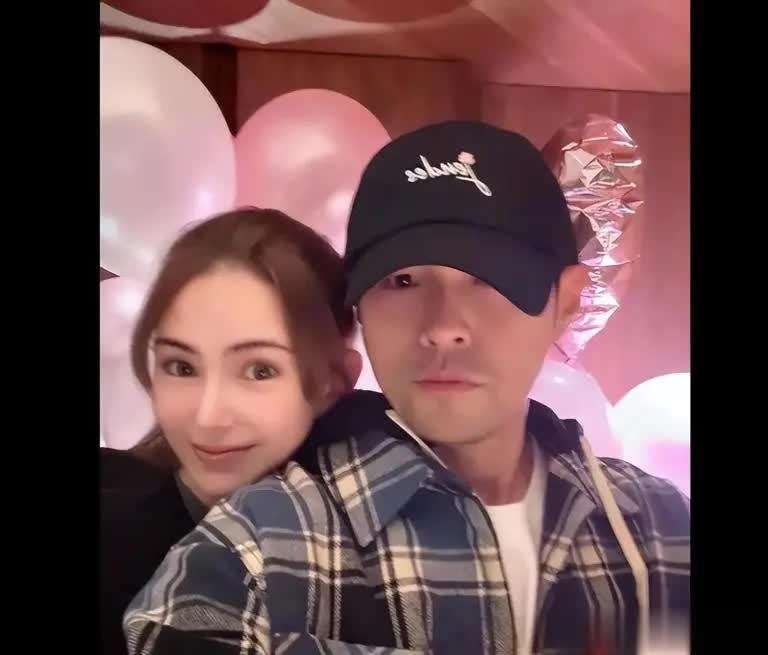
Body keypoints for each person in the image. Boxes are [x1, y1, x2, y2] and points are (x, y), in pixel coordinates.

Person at [124, 122, 690, 655]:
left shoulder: (660, 527)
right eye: (402, 281)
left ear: (565, 302)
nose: (444, 326)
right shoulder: (251, 554)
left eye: (488, 279)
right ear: (360, 308)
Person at [100, 208, 362, 655]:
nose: (208, 417)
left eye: (259, 370)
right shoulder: (113, 522)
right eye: (181, 367)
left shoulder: (381, 536)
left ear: (335, 381)